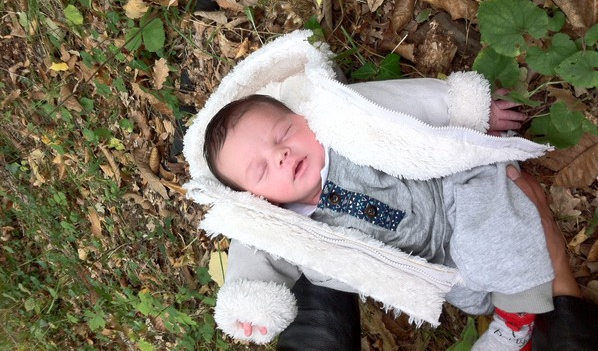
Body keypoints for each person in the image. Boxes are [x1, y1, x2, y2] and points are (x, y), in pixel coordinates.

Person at [181, 30, 572, 348]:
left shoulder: (343, 122)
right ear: (256, 199)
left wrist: (469, 110)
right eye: (262, 169)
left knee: (493, 242)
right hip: (431, 259)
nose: (280, 155)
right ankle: (511, 312)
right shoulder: (285, 227)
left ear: (301, 116)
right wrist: (251, 299)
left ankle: (517, 318)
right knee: (471, 292)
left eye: (282, 134)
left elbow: (403, 105)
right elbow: (252, 245)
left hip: (453, 189)